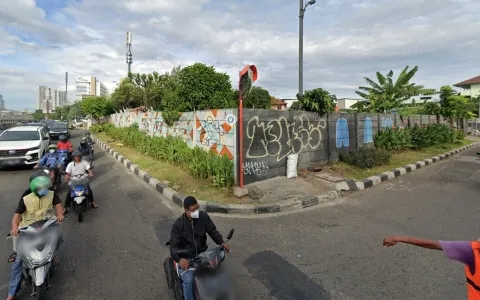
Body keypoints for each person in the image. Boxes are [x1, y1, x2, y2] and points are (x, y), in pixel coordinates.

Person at [6, 173, 64, 300]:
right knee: (18, 262)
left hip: (47, 226)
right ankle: (11, 293)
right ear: (34, 186)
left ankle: (53, 256)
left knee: (58, 238)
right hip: (29, 230)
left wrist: (60, 214)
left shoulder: (51, 193)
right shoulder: (26, 196)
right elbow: (17, 215)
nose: (44, 188)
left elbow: (58, 206)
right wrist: (15, 227)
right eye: (41, 186)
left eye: (45, 186)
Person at [169, 196, 230, 300]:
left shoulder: (203, 217)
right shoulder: (178, 225)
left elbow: (212, 231)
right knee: (189, 281)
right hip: (187, 258)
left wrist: (221, 243)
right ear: (186, 211)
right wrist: (180, 259)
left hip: (202, 255)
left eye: (197, 208)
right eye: (193, 210)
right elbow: (173, 247)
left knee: (218, 273)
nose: (196, 211)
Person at [383, 235, 480, 299]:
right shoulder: (471, 251)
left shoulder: (470, 251)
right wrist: (398, 238)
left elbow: (433, 244)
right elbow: (432, 244)